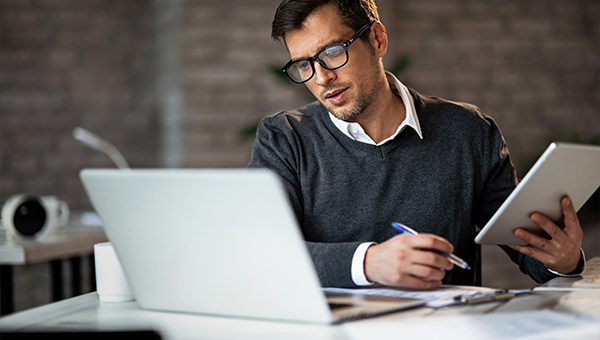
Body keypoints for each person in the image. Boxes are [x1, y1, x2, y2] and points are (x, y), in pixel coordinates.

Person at [248, 0, 585, 289]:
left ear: (378, 40)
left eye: (332, 52)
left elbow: (530, 250)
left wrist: (563, 260)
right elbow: (263, 254)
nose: (321, 78)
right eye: (304, 64)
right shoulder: (284, 138)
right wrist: (367, 262)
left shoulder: (468, 131)